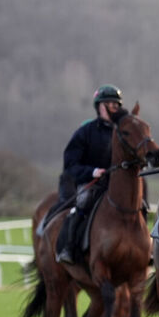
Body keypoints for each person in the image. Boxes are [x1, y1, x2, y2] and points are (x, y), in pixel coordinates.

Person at [54, 84, 123, 264]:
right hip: (92, 183)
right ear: (100, 106)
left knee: (141, 204)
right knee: (83, 202)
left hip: (117, 185)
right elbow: (70, 164)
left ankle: (145, 248)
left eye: (117, 105)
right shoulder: (85, 132)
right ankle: (69, 248)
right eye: (110, 104)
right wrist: (93, 172)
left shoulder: (123, 131)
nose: (114, 108)